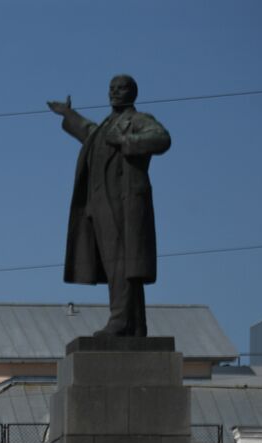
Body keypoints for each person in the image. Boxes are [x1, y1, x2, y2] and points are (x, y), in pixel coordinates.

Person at [47, 74, 171, 337]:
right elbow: (90, 133)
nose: (115, 92)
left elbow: (161, 138)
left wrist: (126, 142)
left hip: (124, 203)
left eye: (121, 88)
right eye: (112, 88)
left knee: (123, 264)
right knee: (120, 264)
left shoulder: (137, 120)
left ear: (133, 93)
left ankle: (122, 320)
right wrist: (69, 114)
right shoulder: (106, 124)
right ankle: (135, 324)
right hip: (101, 204)